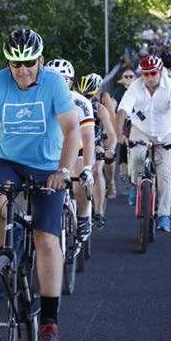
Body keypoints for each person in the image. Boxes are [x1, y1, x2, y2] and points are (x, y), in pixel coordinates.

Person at [0, 28, 79, 341]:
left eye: (28, 63)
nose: (22, 71)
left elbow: (71, 128)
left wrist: (63, 171)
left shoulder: (53, 83)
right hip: (8, 161)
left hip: (46, 166)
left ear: (41, 59)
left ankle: (50, 321)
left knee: (47, 238)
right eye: (15, 64)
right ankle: (9, 255)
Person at [115, 55, 171, 233]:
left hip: (166, 133)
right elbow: (122, 110)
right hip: (141, 130)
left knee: (164, 175)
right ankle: (134, 184)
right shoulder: (135, 86)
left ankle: (164, 215)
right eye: (145, 74)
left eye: (153, 73)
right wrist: (118, 134)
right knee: (136, 158)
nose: (149, 77)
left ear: (160, 71)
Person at [45, 59, 96, 240]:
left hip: (77, 151)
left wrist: (88, 169)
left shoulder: (80, 102)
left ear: (71, 83)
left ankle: (83, 217)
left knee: (80, 182)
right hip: (50, 153)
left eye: (63, 80)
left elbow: (89, 139)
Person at [77, 73, 118, 227]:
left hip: (95, 143)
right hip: (77, 143)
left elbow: (112, 134)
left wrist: (111, 149)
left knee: (96, 171)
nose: (85, 99)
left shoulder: (100, 108)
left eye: (88, 95)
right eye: (82, 95)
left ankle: (99, 212)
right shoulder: (73, 105)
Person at [112, 68, 136, 184]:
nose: (128, 78)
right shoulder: (119, 91)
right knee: (123, 144)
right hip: (125, 122)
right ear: (122, 79)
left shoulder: (140, 90)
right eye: (126, 76)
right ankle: (123, 172)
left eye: (131, 76)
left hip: (139, 123)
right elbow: (112, 105)